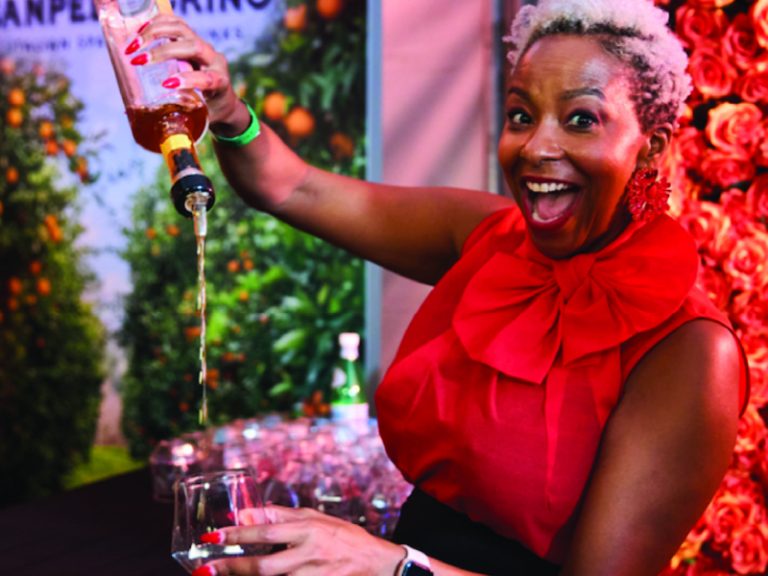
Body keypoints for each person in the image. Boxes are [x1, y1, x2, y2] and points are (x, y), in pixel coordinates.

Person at [129, 0, 749, 574]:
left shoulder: (691, 353)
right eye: (521, 115)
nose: (537, 146)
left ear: (651, 149)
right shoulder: (492, 238)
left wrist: (391, 565)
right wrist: (229, 112)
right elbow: (292, 188)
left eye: (581, 119)